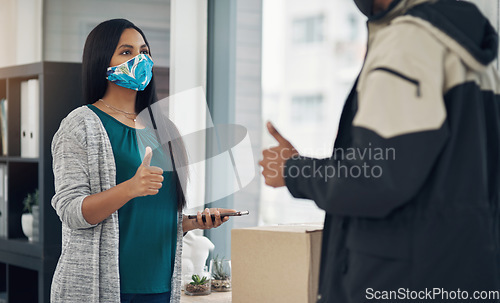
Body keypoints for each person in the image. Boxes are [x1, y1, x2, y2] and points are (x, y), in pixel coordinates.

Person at [260, 0, 500, 302]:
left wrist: (293, 169)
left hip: (401, 281)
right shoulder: (474, 52)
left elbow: (373, 178)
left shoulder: (407, 42)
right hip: (461, 273)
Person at [51, 19, 233, 303]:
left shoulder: (163, 128)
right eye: (126, 52)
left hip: (160, 285)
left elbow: (149, 214)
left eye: (144, 51)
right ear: (102, 61)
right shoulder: (81, 125)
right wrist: (130, 187)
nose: (140, 59)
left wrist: (191, 223)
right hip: (105, 289)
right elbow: (71, 211)